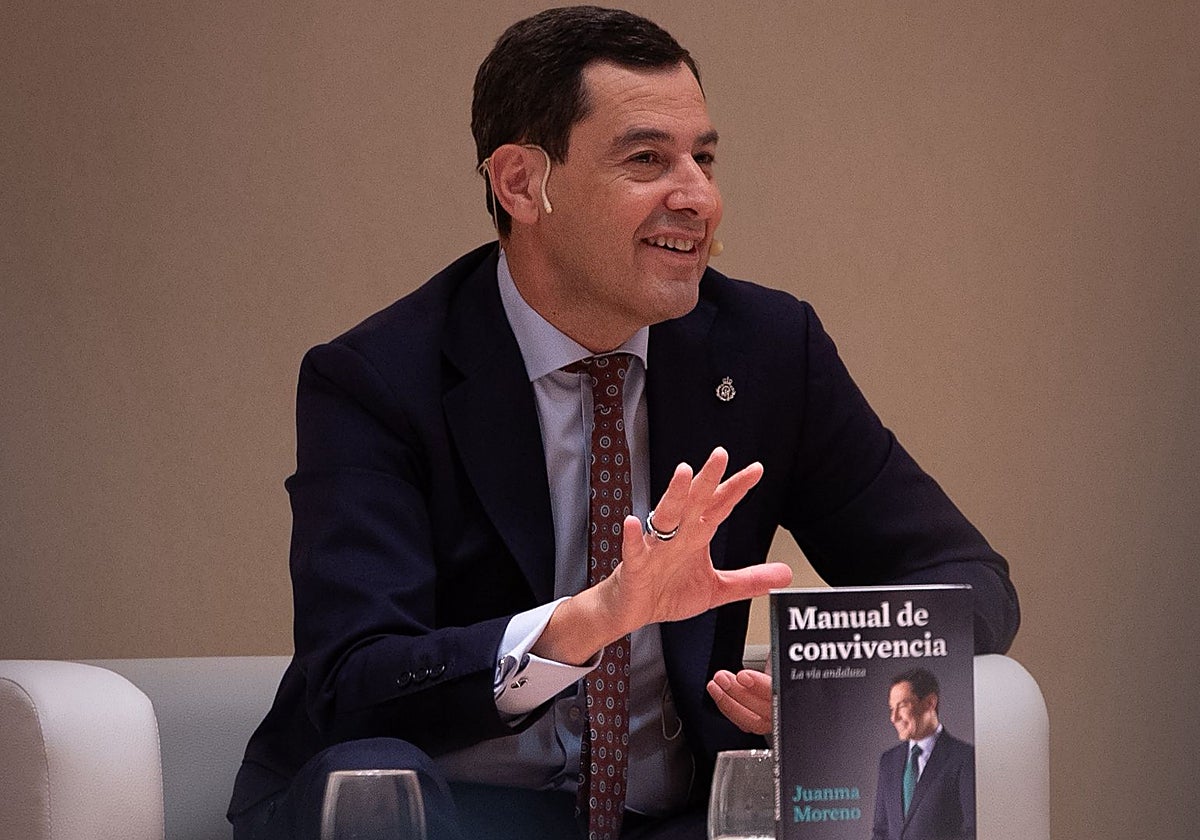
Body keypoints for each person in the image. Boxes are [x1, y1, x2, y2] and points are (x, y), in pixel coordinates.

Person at [228, 7, 1019, 840]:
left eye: (704, 159)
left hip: (669, 817)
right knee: (371, 782)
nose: (699, 197)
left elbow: (965, 577)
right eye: (648, 159)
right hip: (447, 813)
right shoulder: (379, 379)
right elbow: (355, 678)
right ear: (521, 184)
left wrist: (828, 686)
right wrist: (584, 625)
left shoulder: (768, 352)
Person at [872, 669, 976, 840]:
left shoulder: (964, 758)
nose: (893, 717)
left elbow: (971, 830)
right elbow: (880, 831)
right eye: (892, 708)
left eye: (902, 706)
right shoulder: (888, 761)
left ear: (930, 703)